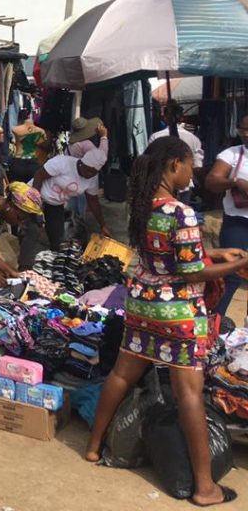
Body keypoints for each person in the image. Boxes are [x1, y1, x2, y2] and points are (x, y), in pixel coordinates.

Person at [86, 137, 247, 507]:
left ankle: (94, 448)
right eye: (191, 165)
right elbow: (193, 272)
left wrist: (217, 253)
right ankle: (206, 488)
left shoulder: (142, 205)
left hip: (142, 305)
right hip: (177, 315)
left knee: (122, 375)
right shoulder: (181, 212)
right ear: (174, 164)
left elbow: (167, 254)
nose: (193, 173)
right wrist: (238, 264)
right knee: (188, 393)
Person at [205, 114, 248, 317]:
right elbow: (211, 181)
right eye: (243, 129)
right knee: (230, 274)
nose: (246, 134)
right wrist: (236, 182)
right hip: (237, 221)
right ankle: (215, 321)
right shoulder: (231, 154)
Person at [32, 147, 111, 250]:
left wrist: (102, 225)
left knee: (57, 240)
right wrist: (35, 204)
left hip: (56, 204)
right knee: (32, 231)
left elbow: (93, 202)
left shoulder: (92, 179)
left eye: (94, 172)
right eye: (88, 170)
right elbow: (39, 176)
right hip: (38, 197)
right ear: (81, 163)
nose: (89, 174)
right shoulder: (63, 163)